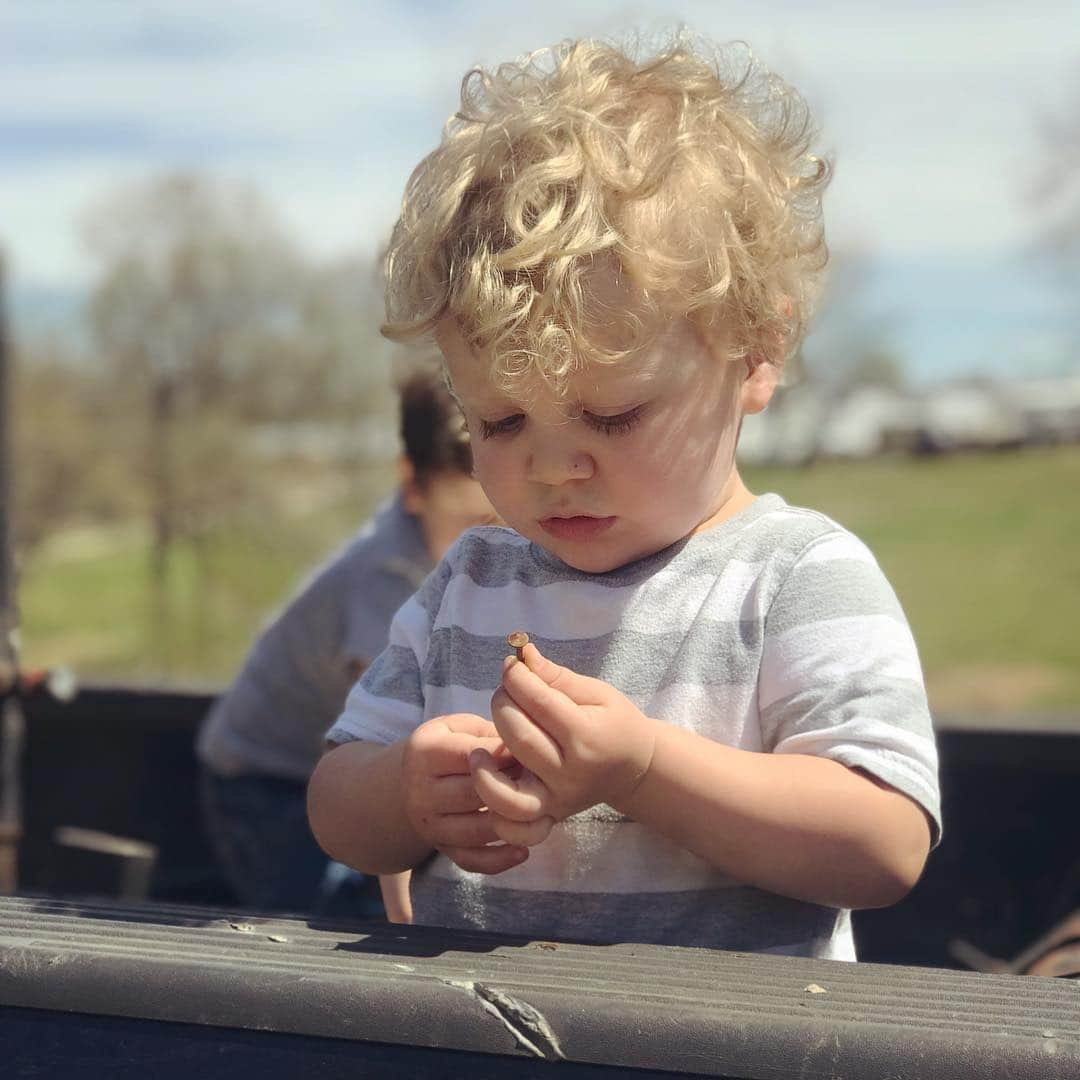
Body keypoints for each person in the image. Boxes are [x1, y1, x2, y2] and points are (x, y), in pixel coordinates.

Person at [308, 34, 941, 959]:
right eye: (501, 423)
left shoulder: (795, 578)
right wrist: (405, 791)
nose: (555, 468)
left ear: (754, 353)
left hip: (730, 1049)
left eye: (612, 416)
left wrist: (645, 769)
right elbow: (335, 804)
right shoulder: (471, 583)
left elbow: (883, 844)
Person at [197, 366, 497, 916]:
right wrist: (404, 918)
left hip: (314, 764)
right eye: (471, 521)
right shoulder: (385, 583)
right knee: (319, 923)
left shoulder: (436, 542)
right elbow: (386, 744)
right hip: (265, 777)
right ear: (412, 486)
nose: (491, 541)